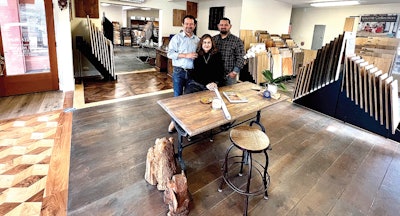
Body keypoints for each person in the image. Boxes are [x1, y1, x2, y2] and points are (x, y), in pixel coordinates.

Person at [167, 15, 200, 133]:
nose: (189, 26)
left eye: (191, 24)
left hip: (192, 73)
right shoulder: (176, 38)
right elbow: (169, 54)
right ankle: (174, 121)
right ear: (183, 25)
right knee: (177, 97)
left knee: (189, 98)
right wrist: (186, 55)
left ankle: (186, 121)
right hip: (179, 71)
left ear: (194, 25)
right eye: (186, 24)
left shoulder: (197, 40)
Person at [213, 17, 245, 86]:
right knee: (214, 95)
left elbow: (241, 57)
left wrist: (235, 72)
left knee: (229, 95)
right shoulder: (213, 40)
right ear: (218, 26)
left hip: (229, 76)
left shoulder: (237, 41)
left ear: (230, 26)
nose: (223, 27)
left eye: (226, 25)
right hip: (215, 75)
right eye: (221, 25)